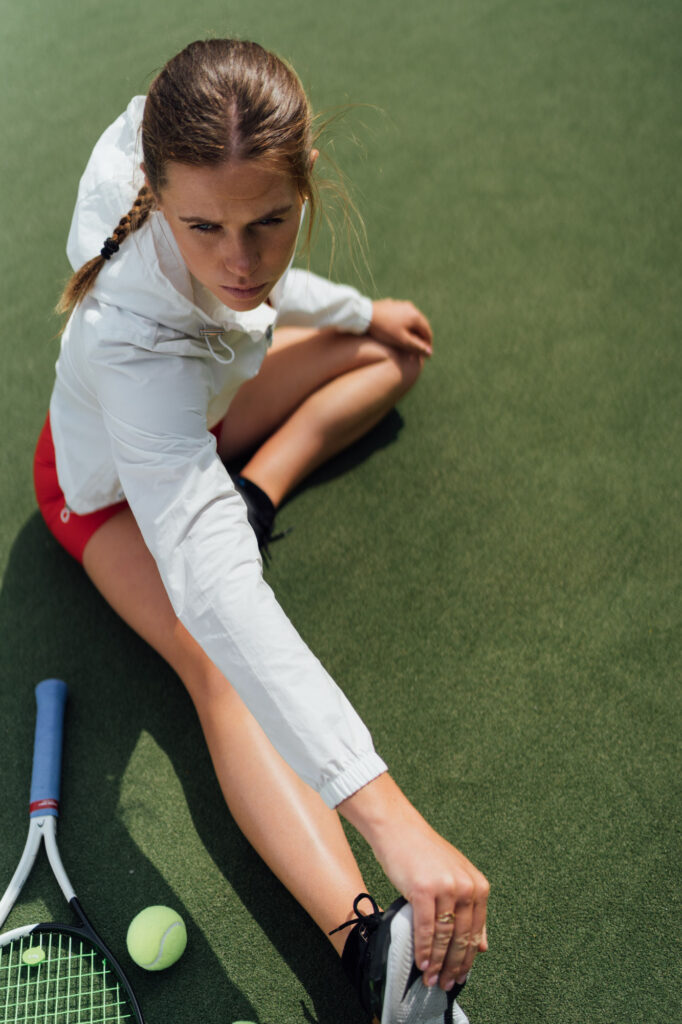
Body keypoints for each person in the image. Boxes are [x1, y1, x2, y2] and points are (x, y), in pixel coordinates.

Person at [34, 38, 488, 1024]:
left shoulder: (201, 162)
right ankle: (372, 954)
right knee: (218, 664)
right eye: (204, 228)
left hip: (203, 415)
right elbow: (210, 580)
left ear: (304, 180)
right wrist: (391, 820)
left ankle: (262, 488)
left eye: (271, 222)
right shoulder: (130, 336)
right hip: (103, 492)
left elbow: (261, 303)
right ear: (157, 196)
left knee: (392, 354)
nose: (240, 261)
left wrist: (362, 307)